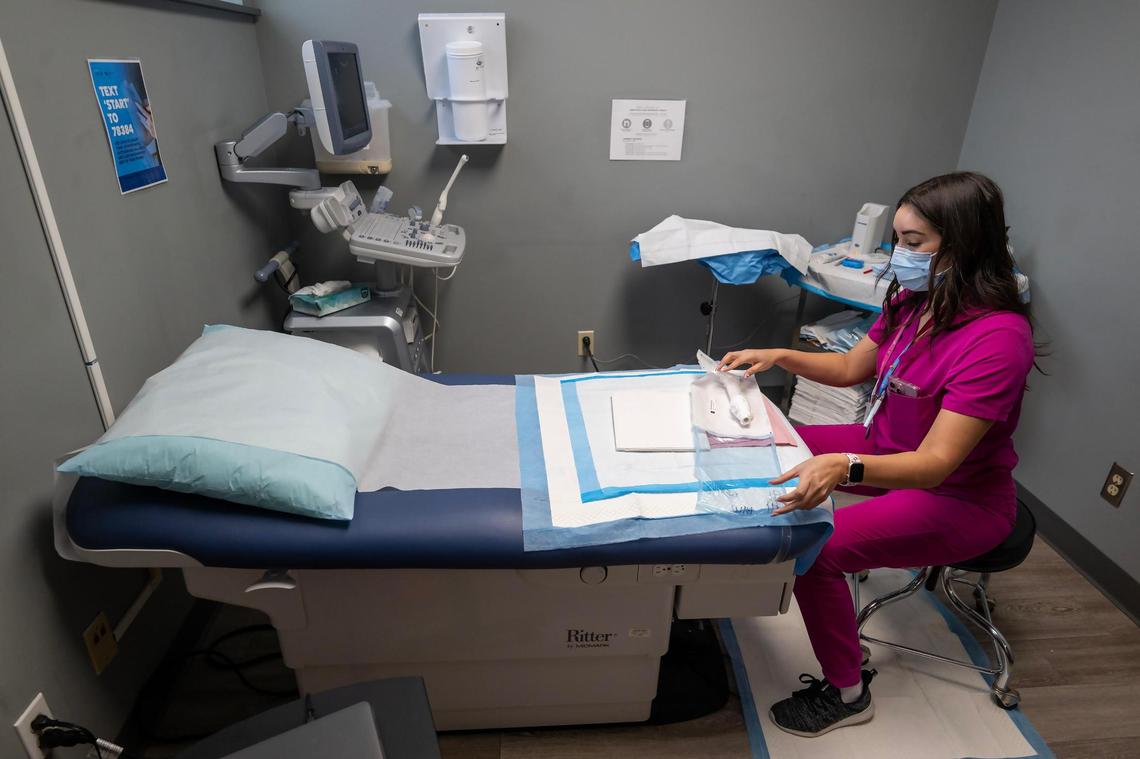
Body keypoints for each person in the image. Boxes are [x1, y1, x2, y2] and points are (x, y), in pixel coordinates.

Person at [718, 172, 1038, 737]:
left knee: (822, 550)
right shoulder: (917, 301)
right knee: (766, 441)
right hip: (890, 450)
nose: (899, 256)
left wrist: (843, 466)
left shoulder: (998, 339)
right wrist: (779, 356)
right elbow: (849, 368)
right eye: (897, 240)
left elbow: (937, 463)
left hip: (960, 496)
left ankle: (847, 693)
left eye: (914, 244)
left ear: (963, 244)